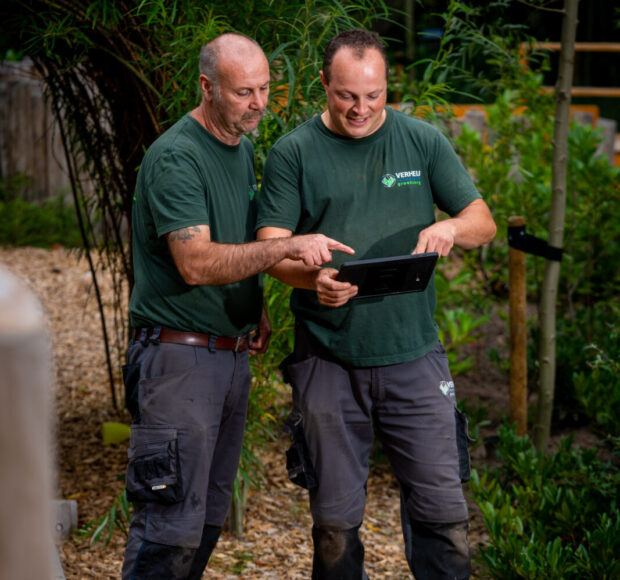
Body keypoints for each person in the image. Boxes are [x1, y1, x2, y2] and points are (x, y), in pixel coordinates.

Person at [256, 29, 496, 579]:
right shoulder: (294, 152)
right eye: (346, 95)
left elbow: (483, 221)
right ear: (323, 84)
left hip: (413, 355)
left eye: (374, 95)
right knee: (335, 527)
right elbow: (270, 249)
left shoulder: (422, 141)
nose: (361, 109)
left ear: (388, 87)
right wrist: (312, 279)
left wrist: (452, 227)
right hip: (329, 358)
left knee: (444, 516)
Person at [121, 32, 353, 580]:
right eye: (244, 91)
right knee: (169, 529)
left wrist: (257, 307)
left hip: (230, 354)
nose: (259, 103)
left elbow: (233, 244)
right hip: (178, 361)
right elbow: (196, 263)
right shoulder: (178, 157)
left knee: (202, 524)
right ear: (207, 87)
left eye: (266, 88)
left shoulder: (240, 146)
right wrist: (287, 245)